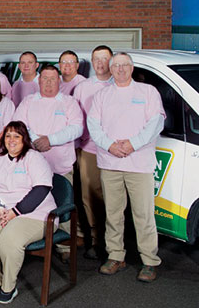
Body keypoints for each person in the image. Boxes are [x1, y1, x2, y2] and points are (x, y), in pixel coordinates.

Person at [88, 52, 165, 283]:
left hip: (139, 163)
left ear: (132, 68)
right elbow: (93, 124)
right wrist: (111, 145)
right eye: (116, 66)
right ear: (110, 70)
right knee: (113, 213)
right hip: (110, 162)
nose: (120, 69)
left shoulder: (148, 92)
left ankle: (149, 261)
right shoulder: (102, 95)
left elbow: (156, 122)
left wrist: (133, 144)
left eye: (125, 65)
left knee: (143, 215)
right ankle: (115, 255)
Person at [0, 121, 57, 304]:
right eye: (8, 135)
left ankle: (8, 286)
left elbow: (41, 189)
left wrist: (16, 211)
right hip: (1, 209)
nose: (11, 140)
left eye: (16, 136)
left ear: (24, 139)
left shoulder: (34, 158)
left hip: (34, 213)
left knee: (9, 239)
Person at [13, 64, 83, 260]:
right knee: (36, 205)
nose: (49, 82)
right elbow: (19, 125)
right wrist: (37, 140)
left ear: (59, 80)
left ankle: (65, 247)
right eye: (45, 78)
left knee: (63, 204)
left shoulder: (69, 102)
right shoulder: (28, 101)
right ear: (39, 80)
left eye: (53, 78)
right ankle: (35, 241)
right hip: (32, 167)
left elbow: (77, 128)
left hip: (61, 165)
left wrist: (50, 140)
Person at [72, 45, 114, 259]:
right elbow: (76, 118)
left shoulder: (120, 85)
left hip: (115, 151)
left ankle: (116, 241)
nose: (100, 63)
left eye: (104, 59)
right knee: (90, 196)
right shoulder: (82, 87)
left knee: (114, 197)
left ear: (112, 61)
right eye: (96, 59)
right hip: (89, 150)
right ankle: (96, 240)